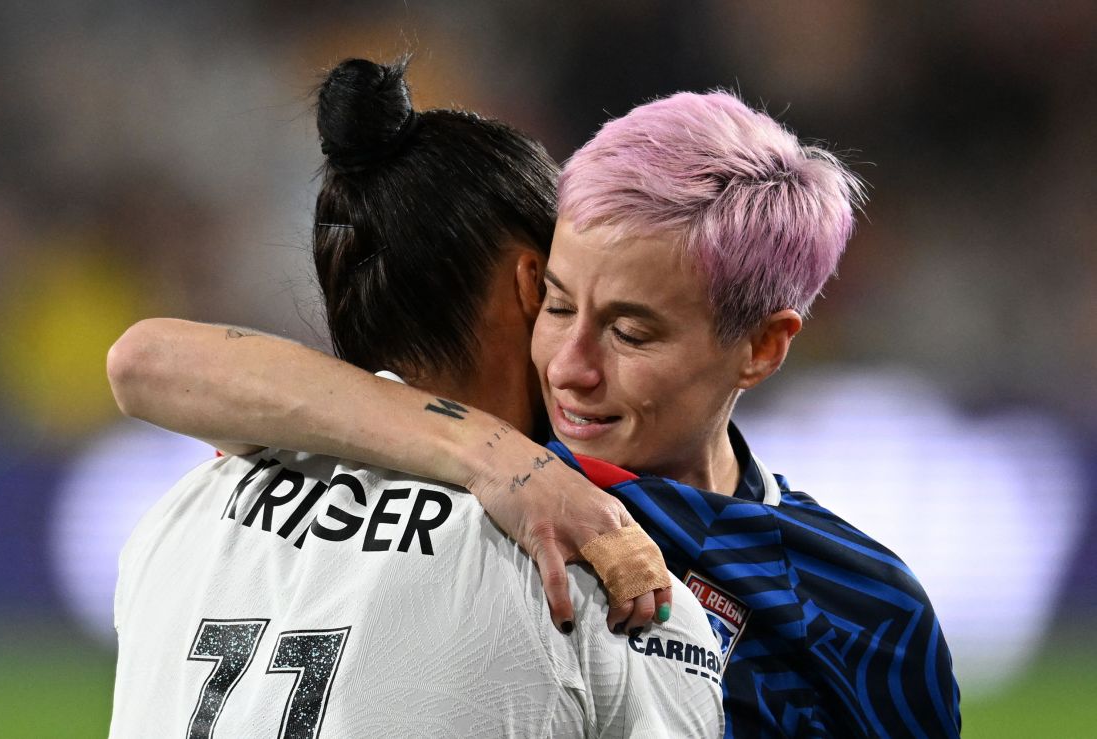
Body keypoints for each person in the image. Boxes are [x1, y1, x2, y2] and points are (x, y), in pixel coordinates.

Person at [111, 78, 962, 735]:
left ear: (763, 346)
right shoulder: (485, 487)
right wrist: (499, 460)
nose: (571, 368)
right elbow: (151, 360)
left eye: (631, 333)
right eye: (556, 306)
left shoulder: (865, 612)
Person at [107, 58, 724, 738]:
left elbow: (143, 358)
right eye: (566, 295)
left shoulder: (183, 513)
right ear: (530, 282)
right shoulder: (579, 564)